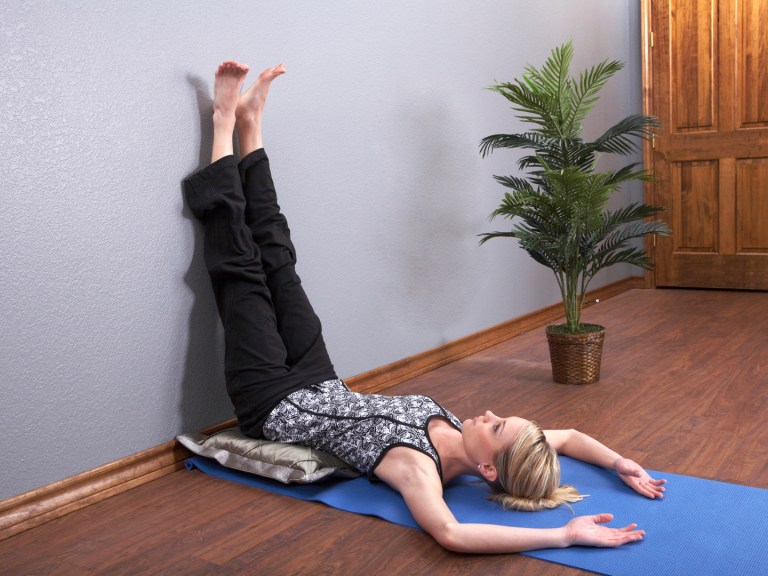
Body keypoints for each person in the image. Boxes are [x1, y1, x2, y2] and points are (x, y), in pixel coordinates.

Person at [183, 61, 667, 554]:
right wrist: (619, 462)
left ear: (486, 469)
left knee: (242, 272)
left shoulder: (416, 467)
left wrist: (563, 534)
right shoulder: (468, 434)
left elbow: (452, 533)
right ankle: (252, 127)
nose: (489, 413)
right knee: (280, 259)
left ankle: (225, 121)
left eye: (496, 426)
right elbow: (568, 437)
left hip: (270, 401)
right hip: (319, 378)